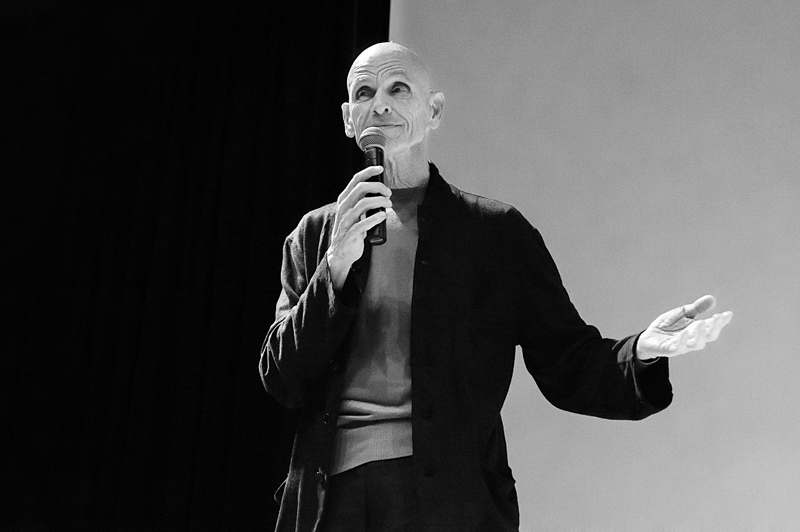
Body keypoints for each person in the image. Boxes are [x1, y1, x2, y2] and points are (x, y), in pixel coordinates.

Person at [260, 42, 733, 532]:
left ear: (434, 111)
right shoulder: (316, 236)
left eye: (398, 89)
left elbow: (568, 361)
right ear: (348, 119)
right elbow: (282, 377)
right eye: (364, 93)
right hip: (327, 503)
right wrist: (334, 266)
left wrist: (643, 351)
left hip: (447, 501)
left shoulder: (494, 234)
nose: (379, 104)